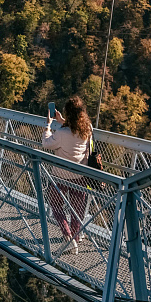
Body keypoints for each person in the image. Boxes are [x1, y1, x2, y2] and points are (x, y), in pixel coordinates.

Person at [41, 97, 99, 255]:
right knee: (77, 209)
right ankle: (76, 235)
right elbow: (74, 132)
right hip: (80, 175)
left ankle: (68, 237)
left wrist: (48, 125)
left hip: (60, 176)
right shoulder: (87, 129)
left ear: (68, 112)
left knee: (55, 205)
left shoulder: (61, 133)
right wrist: (62, 121)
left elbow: (46, 143)